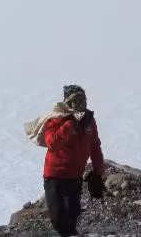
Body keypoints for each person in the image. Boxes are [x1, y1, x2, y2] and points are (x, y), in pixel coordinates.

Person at [39, 84, 105, 237]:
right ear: (68, 102)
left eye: (82, 99)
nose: (80, 103)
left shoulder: (89, 121)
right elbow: (52, 143)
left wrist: (98, 172)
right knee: (58, 218)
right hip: (55, 176)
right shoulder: (56, 119)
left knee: (73, 214)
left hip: (75, 177)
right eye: (76, 100)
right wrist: (69, 124)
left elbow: (95, 146)